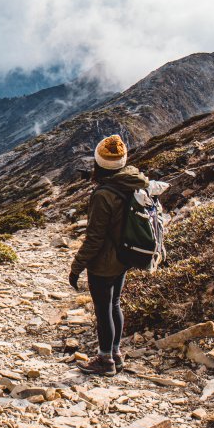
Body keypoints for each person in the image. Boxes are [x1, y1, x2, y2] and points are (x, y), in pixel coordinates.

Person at [68, 134, 149, 376]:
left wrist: (76, 266)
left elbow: (95, 238)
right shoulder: (133, 181)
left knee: (103, 310)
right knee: (114, 304)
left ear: (98, 163)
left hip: (104, 262)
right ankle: (116, 354)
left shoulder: (104, 194)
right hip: (124, 255)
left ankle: (105, 361)